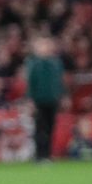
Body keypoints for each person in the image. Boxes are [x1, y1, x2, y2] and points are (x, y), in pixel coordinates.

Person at [24, 34, 65, 162]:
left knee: (50, 128)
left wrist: (62, 95)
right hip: (39, 100)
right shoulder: (34, 64)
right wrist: (30, 100)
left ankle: (48, 154)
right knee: (40, 129)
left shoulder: (56, 63)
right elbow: (31, 83)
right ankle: (39, 155)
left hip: (52, 99)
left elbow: (59, 82)